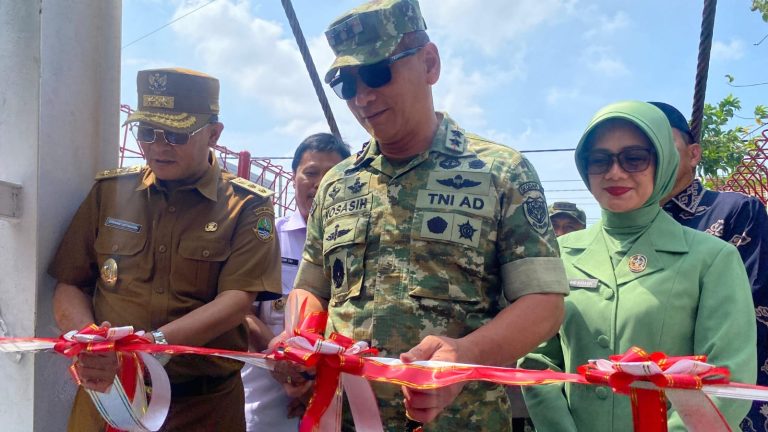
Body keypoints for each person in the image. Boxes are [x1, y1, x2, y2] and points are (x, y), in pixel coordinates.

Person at [273, 1, 568, 430]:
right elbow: (312, 287)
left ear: (429, 63)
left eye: (378, 73)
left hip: (461, 421)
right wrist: (300, 338)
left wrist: (465, 354)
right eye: (347, 84)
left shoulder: (500, 172)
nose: (363, 97)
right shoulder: (337, 182)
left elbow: (543, 303)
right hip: (343, 419)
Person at [49, 67, 282, 431]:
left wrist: (150, 348)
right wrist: (92, 344)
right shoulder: (109, 194)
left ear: (214, 134)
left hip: (201, 408)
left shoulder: (246, 206)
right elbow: (70, 283)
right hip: (108, 399)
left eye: (176, 134)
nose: (158, 147)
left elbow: (237, 300)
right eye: (146, 132)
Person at [520, 100, 757, 431]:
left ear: (662, 162)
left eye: (634, 158)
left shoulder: (712, 258)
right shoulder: (558, 254)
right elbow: (538, 360)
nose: (615, 172)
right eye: (599, 160)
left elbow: (726, 378)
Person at [649, 101, 768, 432]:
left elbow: (750, 309)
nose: (654, 158)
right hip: (638, 395)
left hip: (720, 400)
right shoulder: (629, 227)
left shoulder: (735, 211)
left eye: (665, 145)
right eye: (644, 151)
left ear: (694, 154)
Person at [241, 133, 350, 432]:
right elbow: (241, 312)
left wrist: (318, 383)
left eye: (332, 175)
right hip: (269, 396)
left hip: (339, 396)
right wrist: (285, 364)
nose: (320, 183)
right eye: (311, 173)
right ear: (293, 177)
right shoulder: (268, 239)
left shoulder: (362, 249)